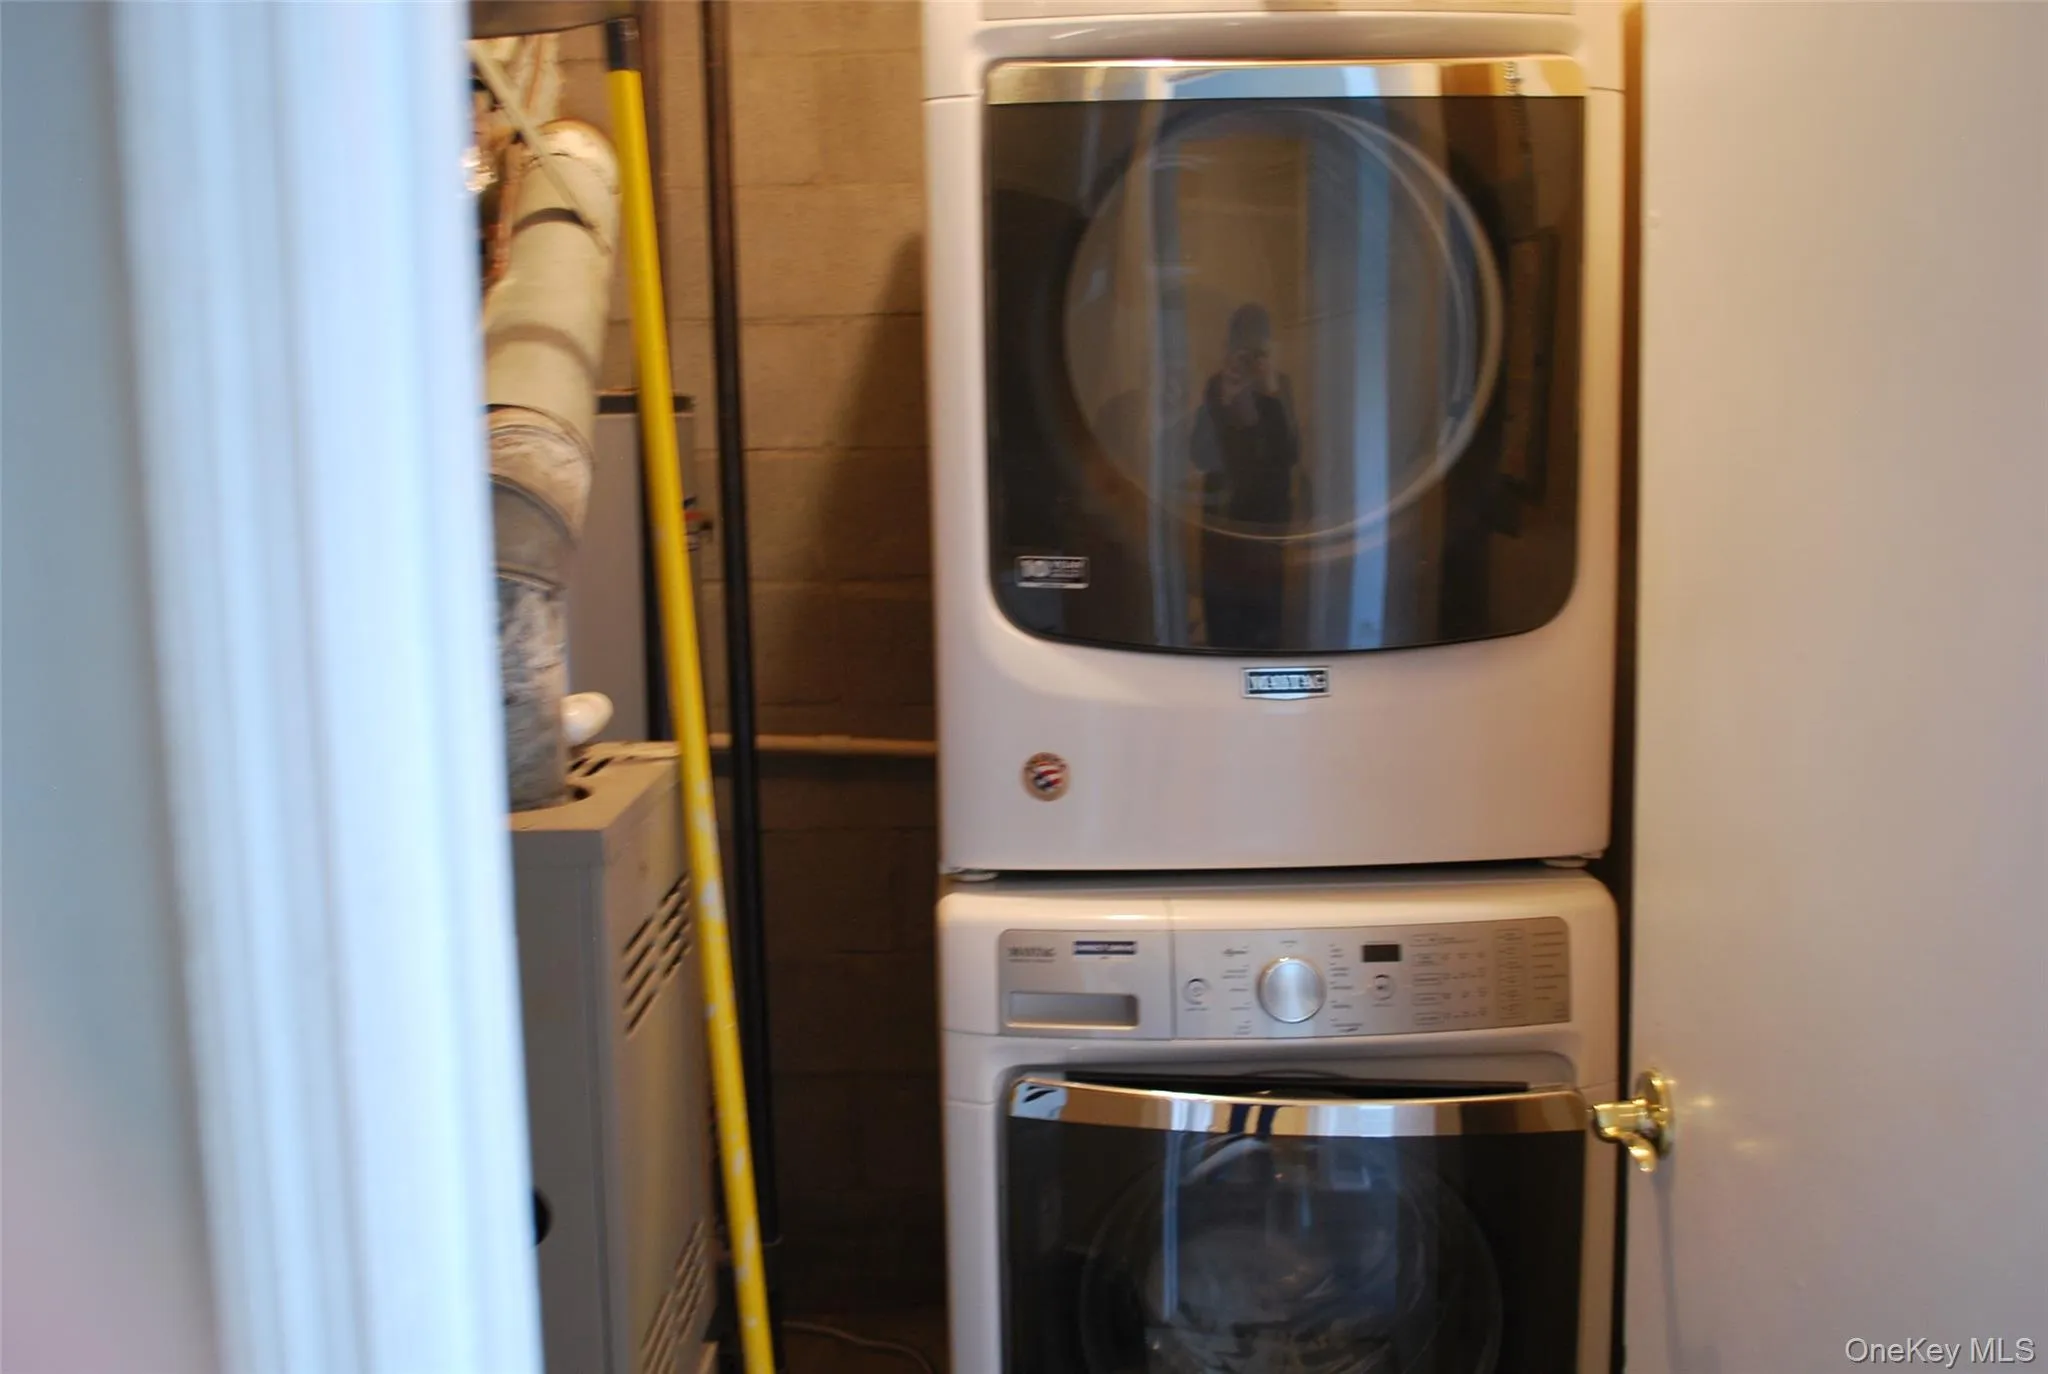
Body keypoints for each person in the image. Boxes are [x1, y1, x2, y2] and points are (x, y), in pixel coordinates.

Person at [1189, 303, 1299, 649]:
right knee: (1221, 612)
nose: (1250, 357)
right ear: (1231, 346)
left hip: (1268, 519)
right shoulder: (1218, 385)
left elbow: (1290, 455)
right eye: (1244, 345)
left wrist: (1272, 396)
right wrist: (1222, 404)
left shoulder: (1280, 387)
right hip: (1224, 519)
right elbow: (1201, 455)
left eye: (1259, 346)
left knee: (1266, 613)